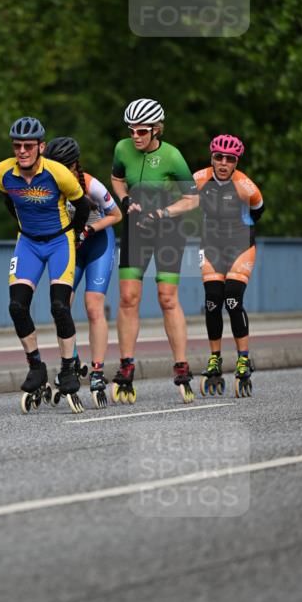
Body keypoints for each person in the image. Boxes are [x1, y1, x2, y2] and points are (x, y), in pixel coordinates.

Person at [0, 116, 91, 412]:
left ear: (41, 147)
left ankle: (66, 368)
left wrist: (74, 235)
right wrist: (28, 228)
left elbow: (83, 205)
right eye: (17, 146)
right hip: (28, 243)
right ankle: (36, 366)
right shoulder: (2, 172)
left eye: (28, 146)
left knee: (59, 307)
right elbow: (9, 202)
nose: (22, 151)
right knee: (16, 306)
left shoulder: (58, 173)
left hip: (60, 242)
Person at [110, 98, 199, 403]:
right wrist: (124, 201)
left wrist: (162, 213)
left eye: (142, 131)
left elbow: (192, 199)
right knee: (127, 297)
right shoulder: (122, 149)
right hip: (136, 229)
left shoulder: (172, 155)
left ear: (156, 129)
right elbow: (117, 179)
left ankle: (181, 364)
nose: (135, 136)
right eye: (132, 130)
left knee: (166, 298)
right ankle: (126, 366)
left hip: (169, 231)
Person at [44, 136, 122, 408]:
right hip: (72, 248)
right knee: (61, 305)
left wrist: (89, 229)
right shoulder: (49, 184)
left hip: (98, 243)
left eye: (64, 166)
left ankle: (98, 371)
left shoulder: (91, 185)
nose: (59, 171)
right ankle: (72, 360)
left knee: (93, 306)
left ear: (74, 164)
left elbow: (117, 216)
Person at [194, 134, 264, 397]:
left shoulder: (246, 185)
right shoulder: (198, 179)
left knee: (233, 300)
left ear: (236, 162)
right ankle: (215, 359)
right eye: (218, 157)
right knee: (212, 301)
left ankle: (243, 358)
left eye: (230, 159)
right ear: (211, 158)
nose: (223, 163)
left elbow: (258, 210)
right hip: (210, 248)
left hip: (240, 248)